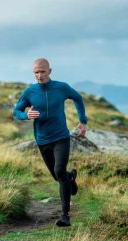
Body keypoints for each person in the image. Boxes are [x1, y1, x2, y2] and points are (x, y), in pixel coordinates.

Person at [13, 58, 88, 227]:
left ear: (50, 71)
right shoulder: (30, 92)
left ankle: (65, 216)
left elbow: (78, 98)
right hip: (42, 140)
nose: (39, 75)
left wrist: (83, 121)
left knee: (59, 170)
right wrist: (26, 115)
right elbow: (16, 111)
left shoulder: (61, 87)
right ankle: (70, 178)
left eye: (42, 72)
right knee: (58, 176)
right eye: (36, 72)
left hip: (61, 137)